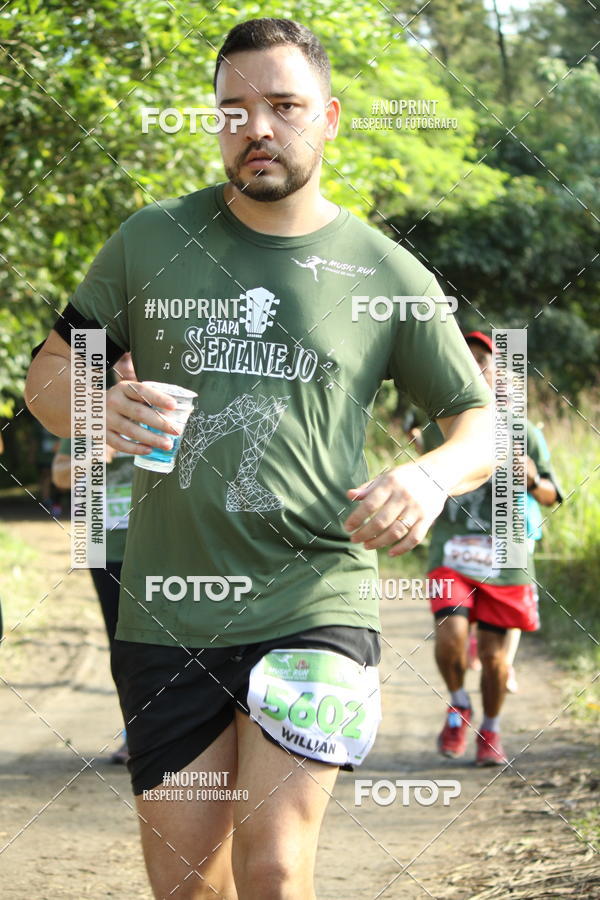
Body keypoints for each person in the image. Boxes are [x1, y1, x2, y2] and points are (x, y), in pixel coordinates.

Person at [25, 18, 495, 899]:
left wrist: (428, 474)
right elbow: (49, 374)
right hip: (167, 605)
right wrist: (95, 402)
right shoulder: (150, 242)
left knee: (275, 869)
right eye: (233, 110)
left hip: (314, 592)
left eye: (283, 106)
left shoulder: (387, 273)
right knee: (189, 885)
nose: (258, 129)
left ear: (331, 116)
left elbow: (478, 421)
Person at [416, 331, 562, 766]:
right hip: (452, 553)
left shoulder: (525, 432)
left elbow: (554, 495)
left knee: (497, 662)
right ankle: (459, 703)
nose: (474, 368)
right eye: (464, 360)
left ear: (497, 372)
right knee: (452, 636)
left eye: (482, 360)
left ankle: (491, 730)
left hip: (507, 559)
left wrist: (532, 479)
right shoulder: (435, 426)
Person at [51, 352, 136, 764]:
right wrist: (89, 456)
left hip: (163, 543)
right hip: (104, 543)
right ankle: (134, 731)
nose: (130, 365)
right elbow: (59, 473)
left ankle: (171, 730)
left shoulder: (173, 405)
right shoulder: (89, 408)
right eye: (122, 358)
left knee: (171, 642)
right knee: (121, 642)